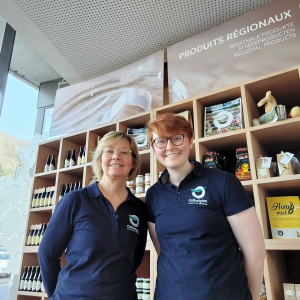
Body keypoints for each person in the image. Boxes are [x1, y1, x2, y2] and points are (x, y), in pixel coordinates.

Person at [145, 113, 265, 300]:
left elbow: (255, 255)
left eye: (177, 138)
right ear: (153, 147)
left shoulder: (223, 182)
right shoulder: (153, 195)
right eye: (160, 141)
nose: (169, 147)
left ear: (190, 140)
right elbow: (164, 251)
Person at [38, 131, 148, 300]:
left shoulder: (139, 209)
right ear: (100, 159)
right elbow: (47, 252)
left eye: (124, 152)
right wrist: (54, 295)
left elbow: (135, 258)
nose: (116, 157)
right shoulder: (75, 200)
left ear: (133, 162)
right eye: (109, 151)